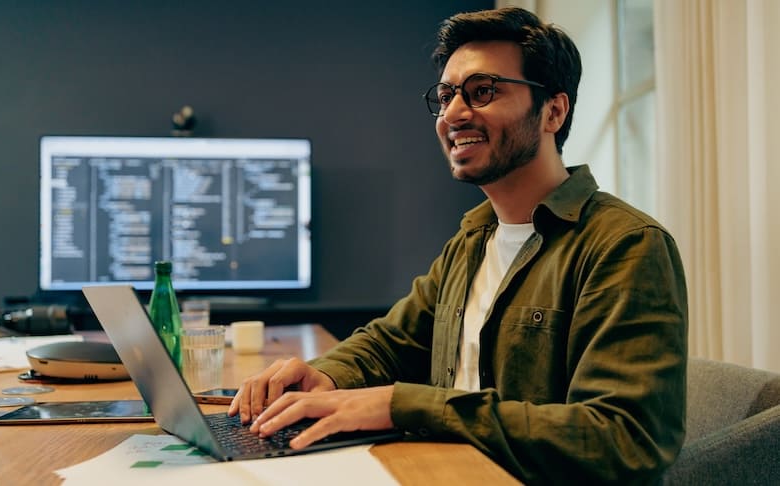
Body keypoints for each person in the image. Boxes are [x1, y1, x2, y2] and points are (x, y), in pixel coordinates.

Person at [228, 7, 688, 485]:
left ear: (554, 110)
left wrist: (402, 405)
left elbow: (623, 439)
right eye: (446, 96)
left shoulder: (626, 246)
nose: (452, 113)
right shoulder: (474, 237)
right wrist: (324, 375)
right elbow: (391, 342)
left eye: (482, 92)